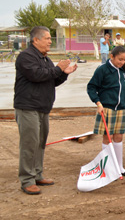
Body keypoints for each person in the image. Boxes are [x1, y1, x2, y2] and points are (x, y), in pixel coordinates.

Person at [14, 26, 77, 195]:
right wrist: (58, 69)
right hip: (28, 107)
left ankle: (37, 174)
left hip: (42, 107)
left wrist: (64, 73)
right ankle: (27, 180)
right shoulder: (26, 57)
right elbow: (36, 75)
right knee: (29, 143)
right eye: (48, 38)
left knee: (40, 142)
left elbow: (51, 80)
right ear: (36, 40)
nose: (50, 41)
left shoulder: (45, 59)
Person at [87, 46, 125, 177]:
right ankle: (107, 167)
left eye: (124, 60)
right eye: (120, 59)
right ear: (112, 56)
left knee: (119, 137)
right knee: (108, 137)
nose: (122, 62)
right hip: (107, 109)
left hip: (121, 109)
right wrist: (98, 102)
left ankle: (119, 167)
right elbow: (91, 87)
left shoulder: (123, 71)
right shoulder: (102, 70)